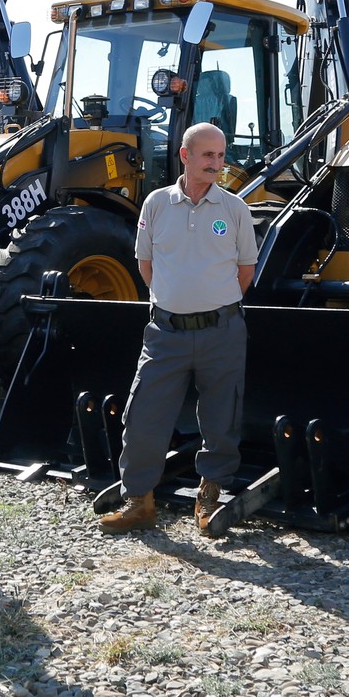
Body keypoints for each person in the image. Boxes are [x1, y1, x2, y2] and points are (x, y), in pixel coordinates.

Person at [97, 123, 258, 537]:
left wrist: (210, 303)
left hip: (221, 332)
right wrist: (176, 301)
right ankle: (139, 501)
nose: (216, 164)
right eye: (208, 155)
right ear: (185, 156)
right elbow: (146, 265)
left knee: (222, 418)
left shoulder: (235, 209)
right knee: (144, 414)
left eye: (221, 156)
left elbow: (245, 271)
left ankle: (210, 494)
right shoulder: (156, 204)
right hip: (166, 333)